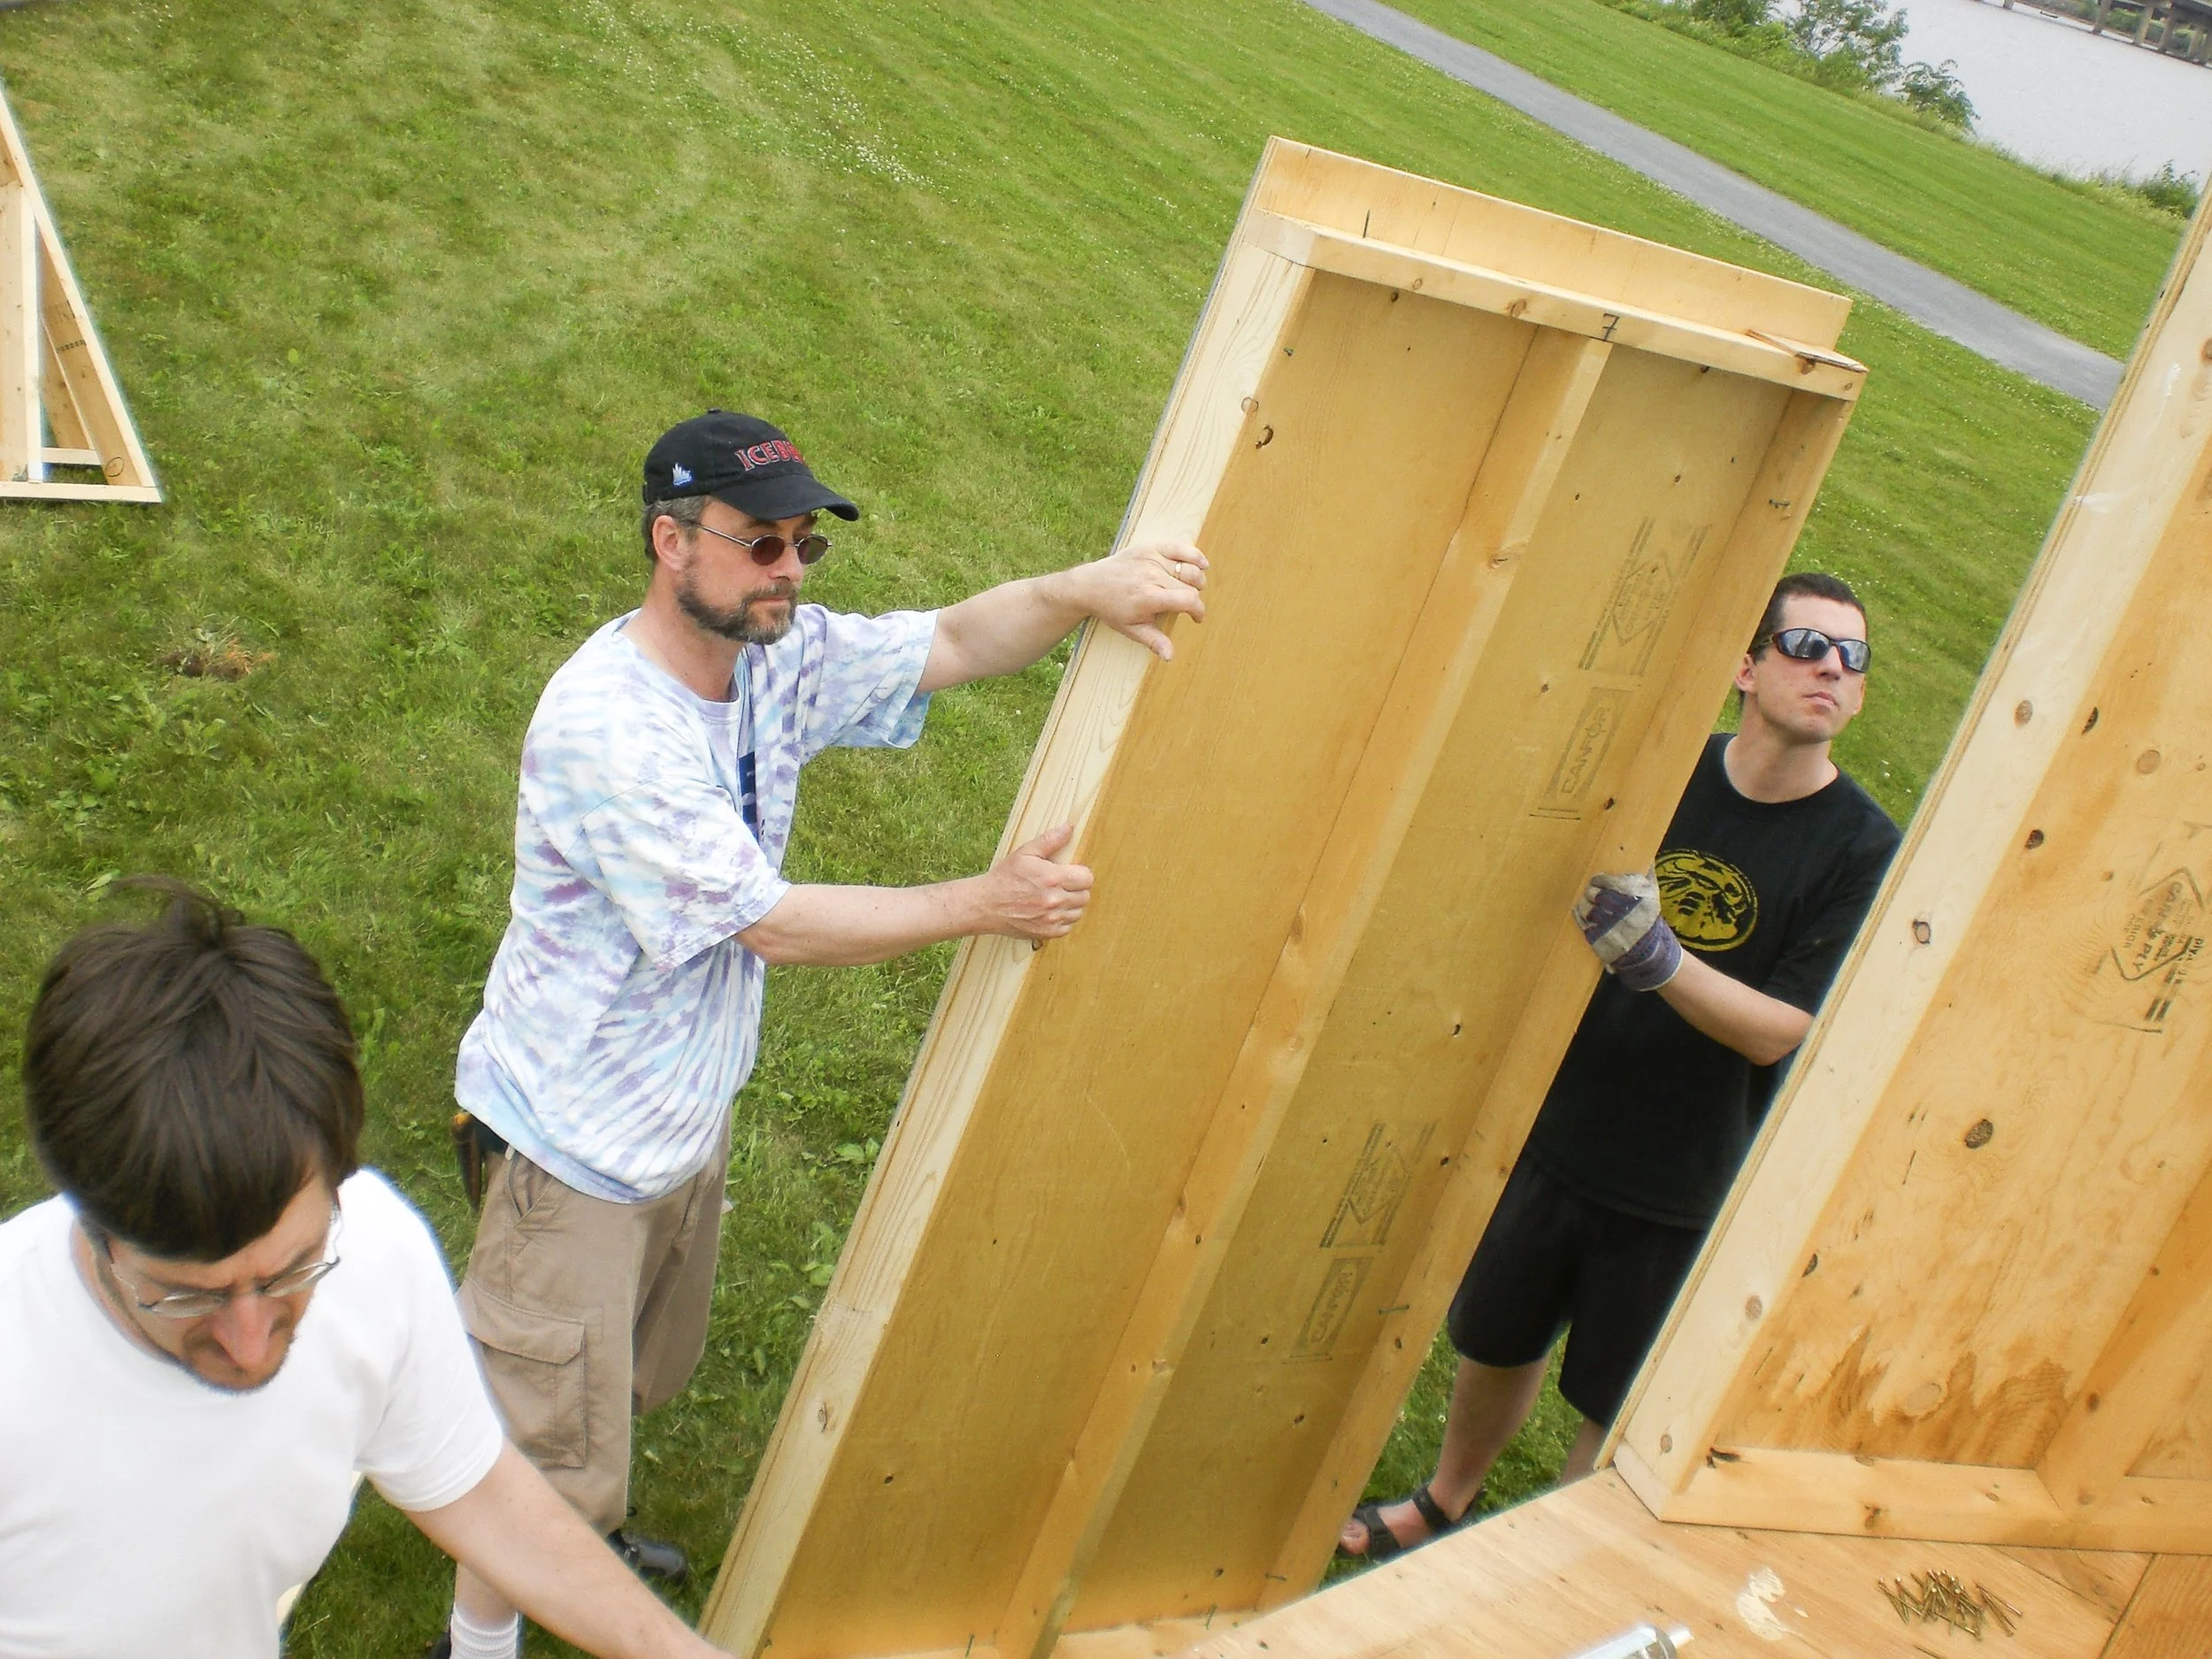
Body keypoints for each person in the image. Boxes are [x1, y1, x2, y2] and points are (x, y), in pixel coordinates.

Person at [442, 410, 1209, 1653]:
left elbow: (953, 639)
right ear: (669, 541)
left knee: (623, 1380)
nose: (789, 569)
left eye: (804, 544)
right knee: (531, 1449)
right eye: (760, 544)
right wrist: (985, 903)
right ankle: (481, 1635)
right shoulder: (610, 731)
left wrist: (1084, 589)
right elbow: (769, 923)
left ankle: (585, 1518)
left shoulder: (769, 655)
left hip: (678, 1112)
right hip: (572, 1143)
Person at [0, 880, 730, 1659]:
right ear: (91, 1219)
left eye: (290, 1272)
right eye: (188, 1294)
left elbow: (478, 1489)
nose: (252, 1344)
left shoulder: (376, 1250)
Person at [1339, 572, 1901, 1560]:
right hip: (1558, 1123)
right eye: (1807, 646)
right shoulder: (1665, 772)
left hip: (1684, 1177)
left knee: (1612, 1396)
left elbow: (1781, 1028)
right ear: (1746, 665)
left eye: (1850, 658)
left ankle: (1534, 1572)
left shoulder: (1862, 850)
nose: (1830, 670)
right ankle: (1445, 1500)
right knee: (1495, 1336)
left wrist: (1660, 962)